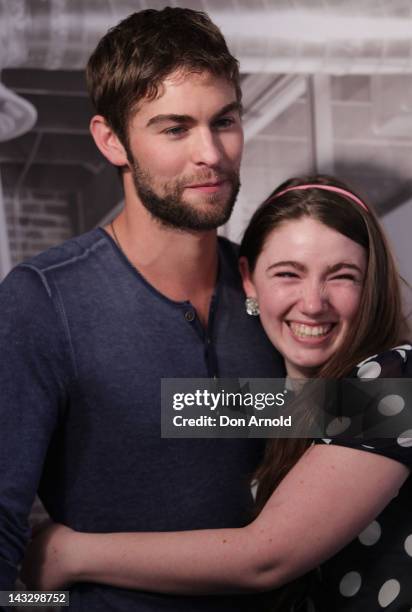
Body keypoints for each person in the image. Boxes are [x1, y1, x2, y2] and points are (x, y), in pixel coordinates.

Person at [0, 7, 284, 612]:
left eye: (225, 121)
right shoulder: (43, 299)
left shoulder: (274, 293)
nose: (211, 152)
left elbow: (364, 429)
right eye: (175, 128)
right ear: (112, 141)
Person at [23, 175, 412, 611]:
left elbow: (265, 557)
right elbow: (177, 410)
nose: (313, 302)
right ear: (248, 280)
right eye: (288, 273)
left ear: (372, 284)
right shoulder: (307, 400)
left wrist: (71, 554)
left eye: (343, 276)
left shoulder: (395, 378)